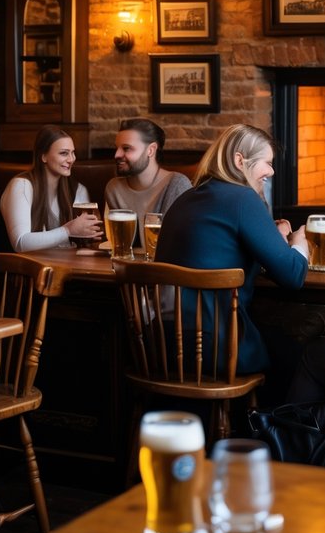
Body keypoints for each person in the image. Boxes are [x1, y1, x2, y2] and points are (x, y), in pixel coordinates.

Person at [153, 124, 309, 376]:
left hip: (162, 344)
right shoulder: (243, 198)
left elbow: (217, 250)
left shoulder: (187, 197)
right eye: (266, 162)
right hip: (215, 347)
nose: (271, 170)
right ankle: (260, 416)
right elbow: (293, 275)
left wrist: (272, 240)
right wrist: (300, 243)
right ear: (239, 160)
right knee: (301, 348)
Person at [0, 124, 102, 251]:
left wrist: (90, 235)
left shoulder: (78, 190)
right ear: (43, 156)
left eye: (73, 153)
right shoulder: (22, 186)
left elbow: (82, 243)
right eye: (64, 153)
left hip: (67, 266)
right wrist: (68, 230)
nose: (71, 159)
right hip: (31, 268)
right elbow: (20, 243)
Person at [104, 117, 192, 246]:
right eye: (117, 148)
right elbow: (123, 246)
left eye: (126, 148)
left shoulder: (177, 185)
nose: (117, 154)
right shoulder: (114, 188)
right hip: (128, 265)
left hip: (166, 265)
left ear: (150, 150)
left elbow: (178, 243)